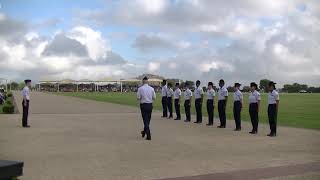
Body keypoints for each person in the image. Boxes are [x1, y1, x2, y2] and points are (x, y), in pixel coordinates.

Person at [137, 76, 156, 140]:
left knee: (145, 121)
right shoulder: (152, 88)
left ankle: (148, 135)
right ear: (147, 81)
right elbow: (154, 98)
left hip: (143, 105)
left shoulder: (140, 89)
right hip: (150, 105)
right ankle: (144, 132)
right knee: (148, 120)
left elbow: (138, 98)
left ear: (143, 81)